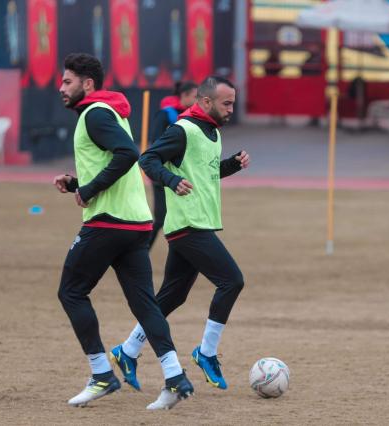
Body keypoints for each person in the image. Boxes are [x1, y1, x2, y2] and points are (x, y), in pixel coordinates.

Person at [53, 53, 193, 410]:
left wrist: (90, 189)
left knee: (71, 292)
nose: (61, 87)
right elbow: (112, 162)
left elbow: (128, 153)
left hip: (107, 223)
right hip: (136, 224)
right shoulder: (108, 111)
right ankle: (175, 377)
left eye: (67, 81)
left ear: (87, 84)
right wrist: (77, 184)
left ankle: (102, 374)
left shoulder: (95, 113)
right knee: (145, 304)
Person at [109, 76, 250, 392]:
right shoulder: (182, 129)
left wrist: (232, 165)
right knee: (232, 281)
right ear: (205, 102)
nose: (231, 109)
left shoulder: (212, 132)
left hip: (197, 224)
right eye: (226, 103)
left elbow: (206, 174)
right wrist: (171, 181)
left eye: (233, 103)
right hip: (188, 225)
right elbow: (147, 159)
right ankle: (206, 353)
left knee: (173, 295)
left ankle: (127, 351)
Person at [148, 80, 198, 247]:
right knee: (161, 218)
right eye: (195, 96)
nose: (198, 101)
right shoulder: (165, 114)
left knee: (185, 218)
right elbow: (155, 144)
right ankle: (141, 251)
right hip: (162, 174)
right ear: (184, 95)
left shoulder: (192, 116)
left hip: (183, 174)